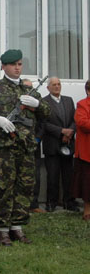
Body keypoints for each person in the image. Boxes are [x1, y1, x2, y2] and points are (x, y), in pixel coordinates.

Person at [0, 49, 50, 246]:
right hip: (2, 149)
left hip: (25, 149)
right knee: (3, 188)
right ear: (3, 66)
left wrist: (38, 104)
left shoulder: (28, 90)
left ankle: (17, 227)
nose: (17, 68)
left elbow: (47, 114)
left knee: (24, 188)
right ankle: (2, 230)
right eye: (13, 64)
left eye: (20, 64)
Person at [42, 77, 78, 212]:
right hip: (52, 145)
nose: (57, 87)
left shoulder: (68, 100)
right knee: (52, 176)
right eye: (54, 85)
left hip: (68, 143)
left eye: (59, 84)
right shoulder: (44, 102)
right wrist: (61, 131)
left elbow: (75, 119)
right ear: (48, 88)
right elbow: (43, 124)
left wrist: (70, 132)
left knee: (68, 176)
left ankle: (69, 202)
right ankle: (51, 202)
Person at [21, 79, 45, 214]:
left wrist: (37, 138)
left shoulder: (37, 103)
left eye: (30, 87)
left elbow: (43, 121)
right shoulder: (18, 102)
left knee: (35, 174)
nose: (28, 89)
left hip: (34, 144)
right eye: (26, 87)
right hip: (20, 143)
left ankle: (34, 204)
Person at [72, 80, 90, 221]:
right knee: (86, 182)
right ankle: (87, 210)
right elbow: (82, 123)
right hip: (86, 152)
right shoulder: (82, 105)